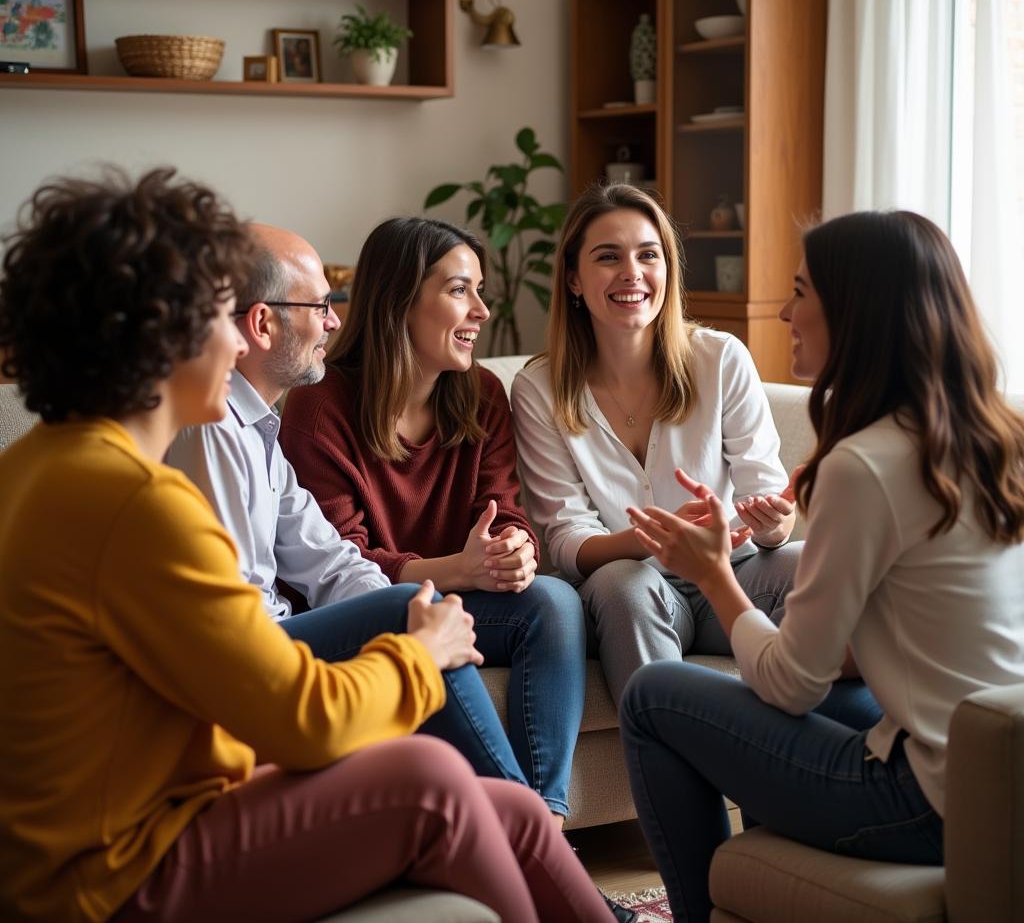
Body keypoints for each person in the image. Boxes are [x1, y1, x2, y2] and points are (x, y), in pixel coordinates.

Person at [0, 169, 616, 923]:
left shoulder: (37, 465)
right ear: (160, 331)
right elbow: (298, 717)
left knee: (511, 814)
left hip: (160, 809)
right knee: (428, 776)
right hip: (113, 868)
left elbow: (321, 566)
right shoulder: (137, 501)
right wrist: (419, 652)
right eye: (220, 314)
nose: (237, 336)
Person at [619, 210, 1024, 922]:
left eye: (801, 291)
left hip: (925, 803)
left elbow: (787, 685)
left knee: (655, 695)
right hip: (997, 776)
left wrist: (714, 573)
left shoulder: (865, 464)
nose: (783, 311)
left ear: (854, 310)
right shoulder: (996, 437)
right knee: (838, 700)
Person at [166, 223, 531, 788]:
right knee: (408, 608)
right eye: (319, 305)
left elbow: (330, 559)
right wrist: (408, 614)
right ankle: (520, 818)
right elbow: (232, 617)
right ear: (263, 323)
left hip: (282, 635)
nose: (335, 321)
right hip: (250, 656)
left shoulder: (258, 428)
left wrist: (417, 612)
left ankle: (526, 816)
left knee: (445, 607)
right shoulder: (213, 430)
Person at [278, 218, 589, 825]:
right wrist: (459, 569)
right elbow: (336, 561)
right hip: (365, 610)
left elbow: (505, 511)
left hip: (464, 593)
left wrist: (512, 550)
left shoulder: (482, 395)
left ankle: (545, 822)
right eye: (458, 290)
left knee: (554, 600)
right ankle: (531, 847)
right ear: (399, 301)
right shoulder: (320, 406)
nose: (481, 310)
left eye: (479, 290)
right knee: (420, 612)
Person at [510, 183, 800, 707]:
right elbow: (568, 541)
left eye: (649, 255)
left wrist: (774, 522)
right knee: (624, 583)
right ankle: (674, 760)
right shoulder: (539, 388)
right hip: (633, 592)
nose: (632, 272)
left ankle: (840, 763)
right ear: (573, 280)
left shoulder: (721, 359)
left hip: (733, 579)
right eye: (608, 257)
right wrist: (656, 538)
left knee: (812, 563)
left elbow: (771, 508)